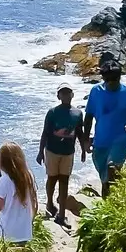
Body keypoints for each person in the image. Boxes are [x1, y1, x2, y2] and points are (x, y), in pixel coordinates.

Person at [84, 58, 126, 195]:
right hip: (101, 141)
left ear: (120, 77)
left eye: (115, 79)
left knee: (112, 168)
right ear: (104, 79)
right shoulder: (96, 91)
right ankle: (113, 200)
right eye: (108, 80)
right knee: (105, 179)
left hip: (123, 139)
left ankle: (113, 207)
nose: (111, 83)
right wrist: (85, 139)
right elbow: (88, 117)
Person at [36, 87, 84, 222]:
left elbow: (79, 132)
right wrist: (40, 152)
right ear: (58, 96)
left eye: (68, 93)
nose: (66, 95)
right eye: (63, 93)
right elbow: (45, 132)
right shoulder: (52, 113)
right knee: (52, 178)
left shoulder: (78, 113)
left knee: (64, 180)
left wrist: (83, 151)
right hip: (52, 151)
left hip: (68, 152)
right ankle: (50, 203)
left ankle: (62, 214)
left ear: (72, 95)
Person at [0, 142, 38, 244]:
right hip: (24, 233)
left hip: (6, 234)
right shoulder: (29, 176)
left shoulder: (4, 181)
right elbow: (34, 203)